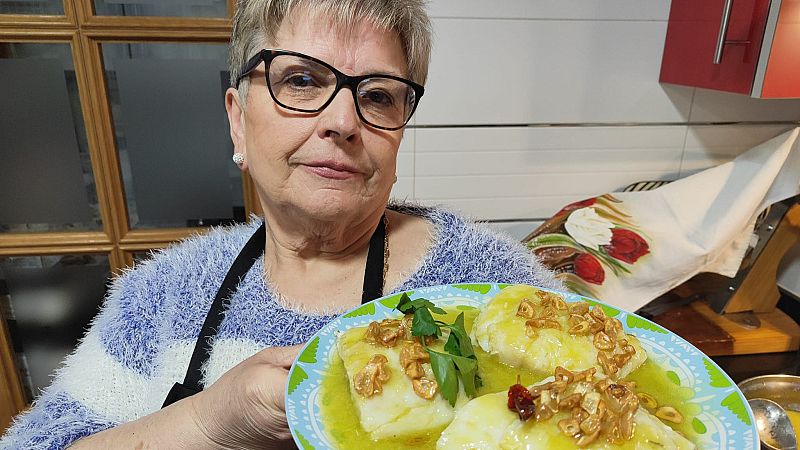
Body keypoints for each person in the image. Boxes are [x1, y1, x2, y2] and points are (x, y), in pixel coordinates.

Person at [0, 0, 562, 448]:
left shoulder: (493, 280)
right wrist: (205, 427)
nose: (343, 121)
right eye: (300, 81)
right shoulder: (162, 293)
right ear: (238, 121)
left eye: (378, 95)